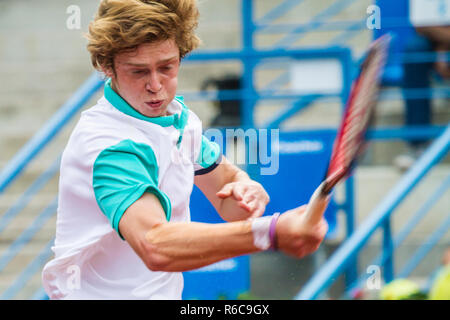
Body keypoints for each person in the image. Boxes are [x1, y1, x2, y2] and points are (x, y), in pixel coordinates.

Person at [41, 0, 329, 300]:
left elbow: (227, 191)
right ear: (107, 66)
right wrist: (269, 233)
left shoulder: (178, 119)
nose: (156, 86)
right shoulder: (109, 145)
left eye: (166, 67)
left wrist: (246, 190)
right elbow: (155, 245)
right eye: (138, 72)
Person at [395, 20, 450, 170]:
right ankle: (417, 146)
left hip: (441, 39)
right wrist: (441, 49)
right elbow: (422, 25)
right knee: (415, 49)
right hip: (433, 39)